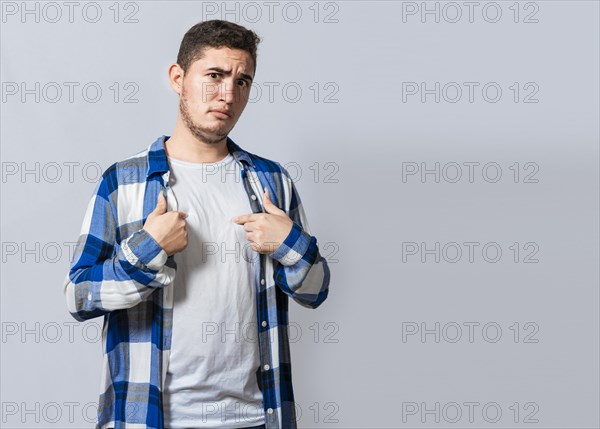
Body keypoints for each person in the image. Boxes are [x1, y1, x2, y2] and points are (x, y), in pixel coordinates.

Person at [63, 19, 331, 429]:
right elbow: (78, 296)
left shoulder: (271, 182)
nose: (228, 94)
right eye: (214, 75)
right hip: (154, 418)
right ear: (177, 78)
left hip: (256, 419)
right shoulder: (124, 182)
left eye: (243, 81)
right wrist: (147, 250)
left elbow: (315, 292)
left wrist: (289, 244)